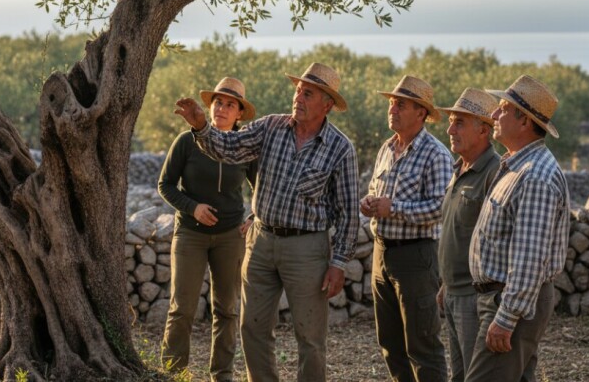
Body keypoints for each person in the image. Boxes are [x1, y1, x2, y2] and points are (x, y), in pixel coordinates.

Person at [173, 62, 359, 382]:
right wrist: (201, 126)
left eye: (308, 93)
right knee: (252, 328)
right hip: (260, 242)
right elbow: (229, 149)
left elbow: (348, 212)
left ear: (327, 104)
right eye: (298, 91)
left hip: (307, 248)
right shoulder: (271, 126)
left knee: (310, 338)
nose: (298, 98)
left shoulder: (341, 148)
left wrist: (339, 262)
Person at [465, 75, 571, 382]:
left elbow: (529, 256)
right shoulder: (519, 166)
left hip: (511, 302)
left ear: (523, 120)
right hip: (506, 299)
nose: (494, 115)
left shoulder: (535, 176)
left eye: (502, 109)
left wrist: (508, 317)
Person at [158, 77, 258, 381]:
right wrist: (193, 208)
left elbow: (261, 187)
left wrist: (253, 216)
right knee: (182, 308)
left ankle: (222, 375)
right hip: (190, 234)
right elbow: (165, 185)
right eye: (218, 102)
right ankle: (174, 374)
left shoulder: (244, 146)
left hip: (230, 237)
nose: (222, 108)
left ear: (239, 113)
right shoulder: (187, 141)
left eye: (230, 104)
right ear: (210, 106)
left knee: (227, 310)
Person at [360, 75, 451, 382]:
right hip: (382, 252)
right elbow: (377, 190)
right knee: (390, 344)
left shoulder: (436, 154)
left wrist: (394, 207)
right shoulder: (387, 148)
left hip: (416, 257)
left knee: (423, 345)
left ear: (421, 113)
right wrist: (370, 202)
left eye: (400, 104)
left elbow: (441, 207)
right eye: (391, 103)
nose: (392, 109)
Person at [434, 88, 501, 382]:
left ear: (484, 130)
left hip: (475, 299)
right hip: (454, 292)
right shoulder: (460, 168)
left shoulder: (494, 172)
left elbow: (496, 240)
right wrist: (446, 285)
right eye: (451, 121)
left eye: (459, 122)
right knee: (460, 375)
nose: (450, 129)